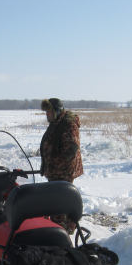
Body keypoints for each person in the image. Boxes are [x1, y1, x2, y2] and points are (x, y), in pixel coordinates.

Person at [39, 98, 83, 234]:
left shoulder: (68, 124)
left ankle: (60, 234)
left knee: (58, 204)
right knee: (60, 203)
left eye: (49, 112)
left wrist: (54, 163)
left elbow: (71, 149)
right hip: (55, 172)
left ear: (57, 111)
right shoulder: (56, 122)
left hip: (63, 172)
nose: (47, 115)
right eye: (46, 112)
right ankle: (63, 231)